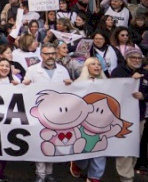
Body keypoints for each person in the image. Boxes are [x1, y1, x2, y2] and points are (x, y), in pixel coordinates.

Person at [23, 43, 72, 182]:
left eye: (52, 53)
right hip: (39, 112)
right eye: (47, 54)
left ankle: (49, 172)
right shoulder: (32, 70)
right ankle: (40, 173)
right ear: (41, 55)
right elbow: (26, 90)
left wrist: (71, 84)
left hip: (57, 113)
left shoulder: (62, 70)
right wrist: (25, 84)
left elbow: (69, 91)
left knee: (52, 142)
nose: (50, 56)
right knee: (40, 142)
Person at [110, 48, 148, 180]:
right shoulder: (118, 72)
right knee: (124, 146)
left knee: (135, 145)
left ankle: (129, 171)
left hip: (140, 116)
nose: (136, 60)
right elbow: (112, 91)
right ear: (127, 58)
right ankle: (125, 176)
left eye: (139, 58)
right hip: (122, 116)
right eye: (133, 57)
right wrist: (130, 81)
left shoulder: (146, 73)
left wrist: (144, 96)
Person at [69, 57, 108, 182]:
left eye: (98, 64)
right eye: (93, 64)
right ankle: (78, 163)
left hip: (102, 121)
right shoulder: (78, 84)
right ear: (86, 67)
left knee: (101, 147)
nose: (97, 66)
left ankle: (94, 176)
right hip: (83, 122)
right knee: (84, 147)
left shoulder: (109, 84)